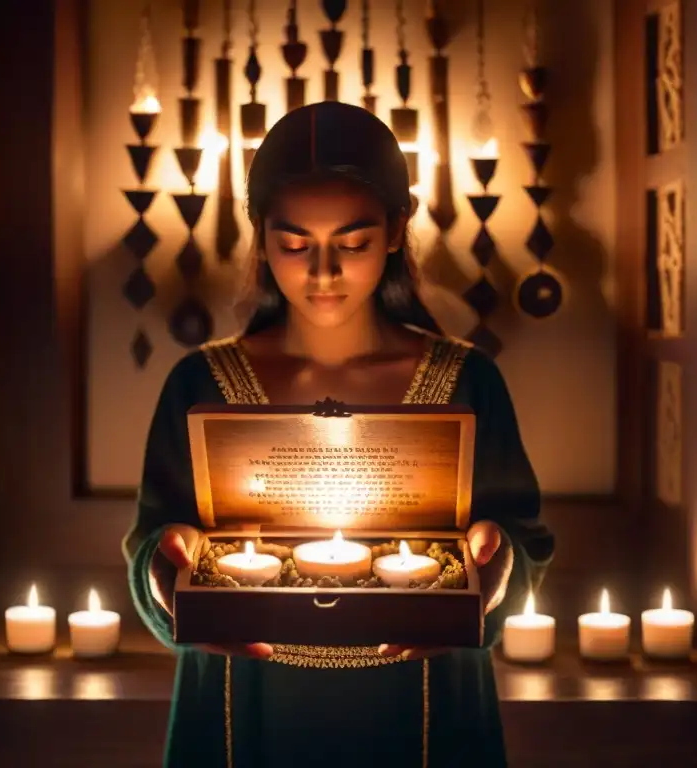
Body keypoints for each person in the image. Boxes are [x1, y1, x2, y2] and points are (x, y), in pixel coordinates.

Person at [123, 101, 554, 768]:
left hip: (423, 703)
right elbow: (153, 541)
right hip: (250, 702)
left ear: (393, 232)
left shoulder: (467, 381)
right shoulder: (199, 384)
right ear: (261, 236)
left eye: (352, 243)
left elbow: (523, 544)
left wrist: (493, 574)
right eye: (295, 244)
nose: (323, 273)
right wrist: (164, 570)